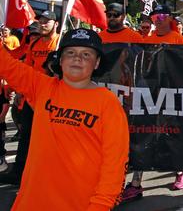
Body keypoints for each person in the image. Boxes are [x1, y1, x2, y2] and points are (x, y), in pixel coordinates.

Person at [0, 27, 129, 210]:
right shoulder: (41, 87)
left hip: (80, 204)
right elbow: (5, 64)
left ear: (97, 63)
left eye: (86, 54)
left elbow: (115, 165)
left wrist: (100, 206)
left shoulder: (108, 104)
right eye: (70, 52)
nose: (77, 58)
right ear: (60, 60)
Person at [122, 4, 183, 202]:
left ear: (170, 18)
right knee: (145, 135)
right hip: (151, 96)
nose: (159, 19)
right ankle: (136, 184)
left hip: (173, 95)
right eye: (155, 16)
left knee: (173, 134)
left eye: (162, 15)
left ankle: (180, 171)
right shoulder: (146, 41)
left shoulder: (180, 40)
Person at [0, 11, 60, 186]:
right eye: (40, 21)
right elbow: (27, 67)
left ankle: (46, 174)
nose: (42, 24)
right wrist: (20, 92)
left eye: (46, 21)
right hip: (31, 96)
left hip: (51, 99)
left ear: (55, 24)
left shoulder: (60, 43)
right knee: (26, 135)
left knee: (49, 138)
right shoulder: (33, 43)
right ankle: (19, 172)